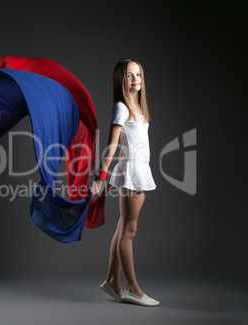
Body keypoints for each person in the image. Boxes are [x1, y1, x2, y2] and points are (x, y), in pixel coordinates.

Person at [88, 58, 160, 306]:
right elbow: (112, 146)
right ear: (121, 79)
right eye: (129, 75)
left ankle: (111, 280)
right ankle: (132, 289)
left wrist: (111, 177)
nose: (135, 79)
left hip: (138, 170)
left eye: (138, 74)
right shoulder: (121, 108)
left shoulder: (139, 108)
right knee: (129, 231)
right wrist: (101, 177)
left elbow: (125, 149)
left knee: (123, 228)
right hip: (132, 172)